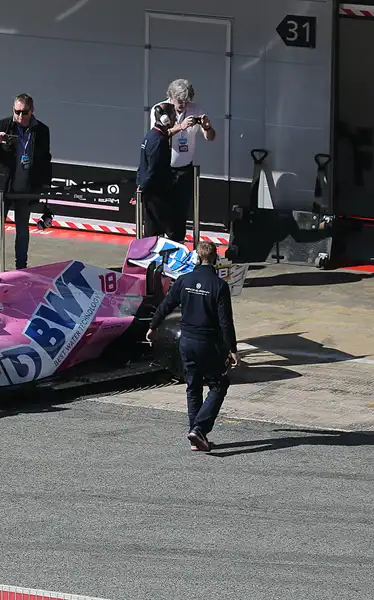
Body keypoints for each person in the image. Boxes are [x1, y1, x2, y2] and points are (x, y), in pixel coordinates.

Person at [146, 241, 240, 452]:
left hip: (186, 342)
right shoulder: (219, 286)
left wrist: (153, 327)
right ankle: (200, 429)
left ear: (197, 258)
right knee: (219, 384)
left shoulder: (183, 280)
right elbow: (226, 322)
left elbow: (166, 305)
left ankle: (195, 436)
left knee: (193, 386)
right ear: (215, 259)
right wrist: (233, 349)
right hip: (208, 344)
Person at [0, 93, 52, 273]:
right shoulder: (2, 125)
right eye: (16, 111)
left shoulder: (41, 130)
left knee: (22, 230)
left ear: (32, 111)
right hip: (2, 188)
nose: (20, 116)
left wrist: (45, 188)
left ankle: (21, 268)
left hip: (25, 190)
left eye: (24, 112)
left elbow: (45, 160)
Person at [149, 79, 217, 243]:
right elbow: (158, 137)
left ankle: (177, 246)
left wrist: (207, 127)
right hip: (164, 169)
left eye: (187, 102)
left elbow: (211, 138)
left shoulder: (196, 109)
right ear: (171, 97)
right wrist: (181, 126)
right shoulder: (160, 109)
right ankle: (154, 247)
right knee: (159, 212)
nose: (184, 105)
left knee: (180, 214)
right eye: (180, 102)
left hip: (184, 169)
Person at [137, 101, 177, 238]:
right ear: (166, 119)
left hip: (150, 190)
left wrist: (141, 185)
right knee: (159, 229)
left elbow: (143, 165)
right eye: (173, 116)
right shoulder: (160, 140)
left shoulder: (150, 135)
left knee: (151, 228)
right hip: (157, 192)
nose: (176, 119)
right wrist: (143, 187)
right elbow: (154, 169)